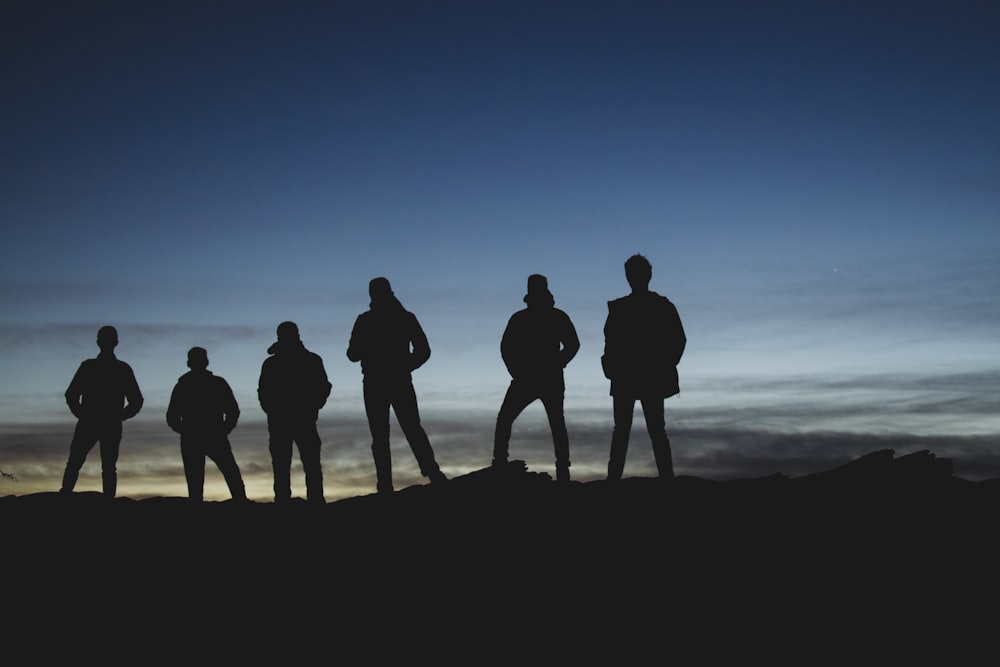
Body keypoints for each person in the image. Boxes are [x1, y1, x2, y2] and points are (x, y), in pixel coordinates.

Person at [347, 277, 447, 494]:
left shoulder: (368, 320)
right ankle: (430, 474)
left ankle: (388, 484)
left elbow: (352, 354)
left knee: (390, 434)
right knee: (407, 430)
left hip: (381, 382)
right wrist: (404, 366)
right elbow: (423, 351)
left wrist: (403, 366)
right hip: (390, 381)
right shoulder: (402, 318)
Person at [602, 254, 686, 481]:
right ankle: (662, 479)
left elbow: (677, 340)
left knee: (632, 432)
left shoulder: (626, 308)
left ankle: (616, 481)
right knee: (650, 432)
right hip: (638, 377)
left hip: (637, 377)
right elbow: (678, 340)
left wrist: (663, 365)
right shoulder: (657, 306)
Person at [492, 274, 580, 482]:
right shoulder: (528, 318)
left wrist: (558, 362)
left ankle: (561, 468)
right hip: (531, 378)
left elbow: (573, 344)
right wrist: (517, 371)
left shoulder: (550, 317)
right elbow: (506, 348)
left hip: (542, 377)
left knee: (553, 422)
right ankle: (501, 462)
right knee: (510, 419)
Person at [60, 325, 144, 497]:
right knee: (81, 462)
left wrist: (119, 416)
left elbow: (136, 401)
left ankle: (100, 501)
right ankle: (68, 494)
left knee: (102, 466)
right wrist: (82, 413)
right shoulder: (95, 367)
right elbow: (71, 394)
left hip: (103, 422)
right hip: (94, 421)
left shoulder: (119, 369)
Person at [258, 322, 332, 504]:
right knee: (293, 465)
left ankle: (303, 501)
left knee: (298, 464)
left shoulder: (308, 360)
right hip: (289, 420)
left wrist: (313, 406)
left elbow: (323, 387)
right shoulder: (308, 360)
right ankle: (301, 501)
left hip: (296, 419)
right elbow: (264, 392)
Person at [166, 346, 247, 503]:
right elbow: (172, 417)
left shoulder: (187, 386)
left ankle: (241, 503)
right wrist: (223, 429)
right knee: (227, 476)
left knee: (220, 477)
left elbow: (233, 411)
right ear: (206, 362)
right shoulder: (208, 384)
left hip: (206, 436)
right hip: (207, 436)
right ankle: (241, 504)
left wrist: (223, 429)